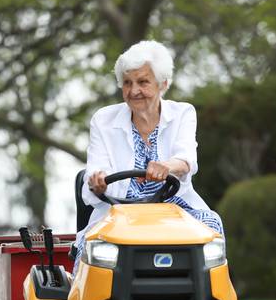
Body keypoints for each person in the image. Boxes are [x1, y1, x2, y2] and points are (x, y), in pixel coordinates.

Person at [75, 40, 223, 272]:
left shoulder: (183, 113)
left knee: (211, 225)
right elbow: (96, 168)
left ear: (163, 84)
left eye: (143, 82)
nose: (134, 91)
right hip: (119, 209)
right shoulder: (103, 120)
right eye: (127, 83)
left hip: (174, 206)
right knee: (91, 244)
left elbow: (186, 161)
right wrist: (97, 180)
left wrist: (167, 167)